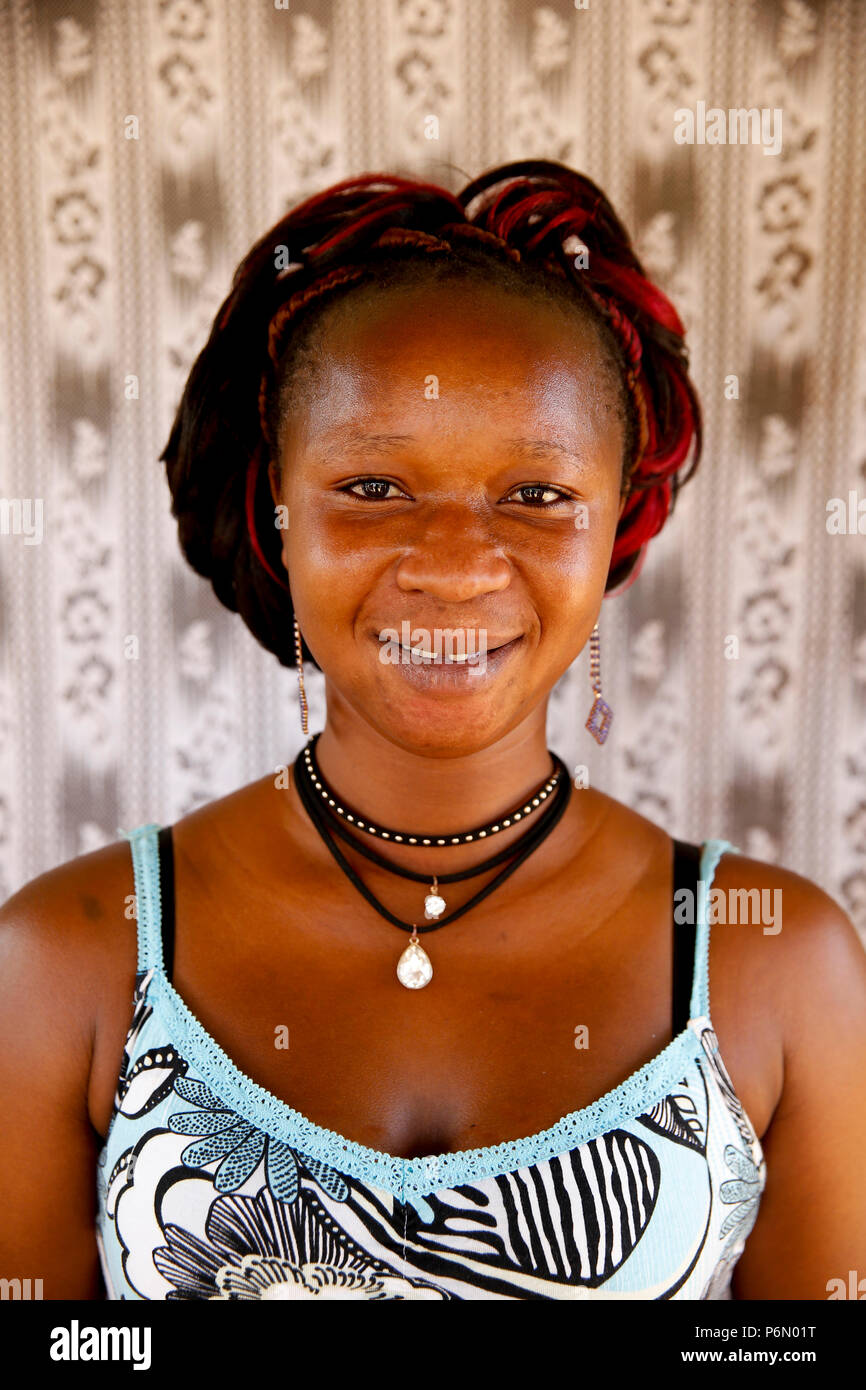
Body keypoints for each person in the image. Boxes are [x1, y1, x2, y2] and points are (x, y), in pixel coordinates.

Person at [1, 161, 864, 1301]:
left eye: (537, 495)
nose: (455, 568)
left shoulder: (774, 963)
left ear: (617, 520)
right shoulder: (71, 954)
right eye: (371, 486)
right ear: (277, 508)